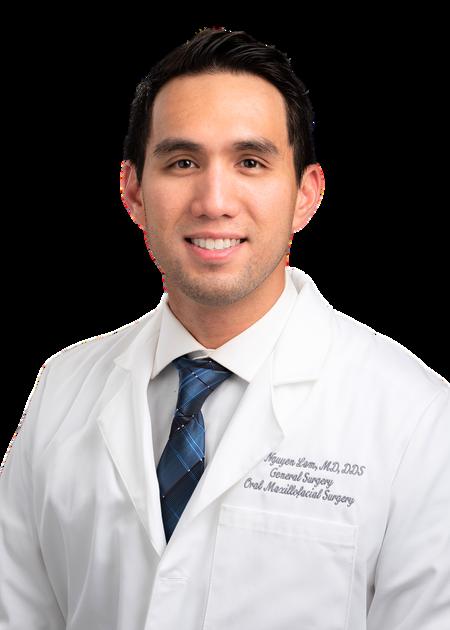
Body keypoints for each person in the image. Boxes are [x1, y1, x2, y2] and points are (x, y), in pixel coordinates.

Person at [1, 25, 449, 630]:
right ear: (133, 191)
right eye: (183, 162)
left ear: (305, 195)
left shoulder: (416, 415)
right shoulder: (61, 387)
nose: (214, 201)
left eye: (250, 162)